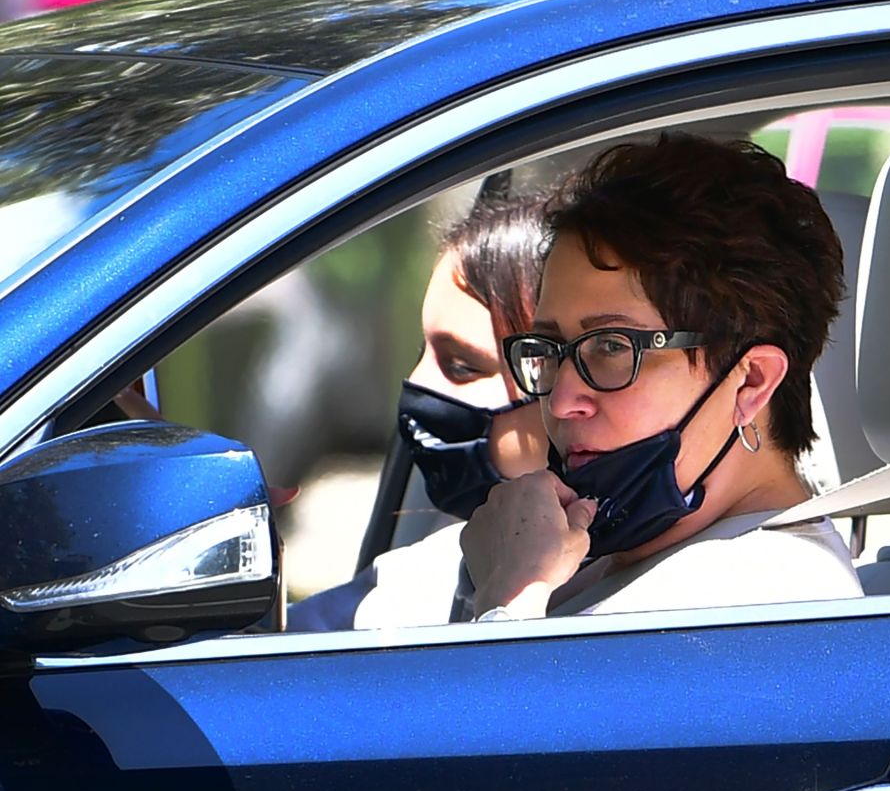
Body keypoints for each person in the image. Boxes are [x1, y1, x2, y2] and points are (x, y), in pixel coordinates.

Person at [460, 132, 859, 619]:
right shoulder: (603, 561)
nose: (562, 400)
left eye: (612, 347)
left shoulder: (767, 604)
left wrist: (509, 598)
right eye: (550, 349)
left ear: (752, 381)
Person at [287, 190, 549, 631]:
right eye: (422, 351)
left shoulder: (670, 603)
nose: (420, 385)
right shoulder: (440, 566)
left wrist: (509, 601)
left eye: (463, 365)